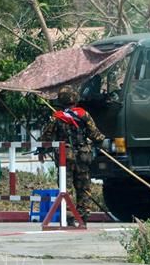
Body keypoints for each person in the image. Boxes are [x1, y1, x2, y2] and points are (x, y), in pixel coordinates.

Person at [42, 86, 105, 224]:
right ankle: (83, 216)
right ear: (75, 99)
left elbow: (46, 137)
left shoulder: (56, 117)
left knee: (66, 187)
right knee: (83, 187)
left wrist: (43, 150)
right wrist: (99, 142)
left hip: (65, 158)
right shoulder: (83, 115)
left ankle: (69, 217)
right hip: (83, 156)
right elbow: (96, 135)